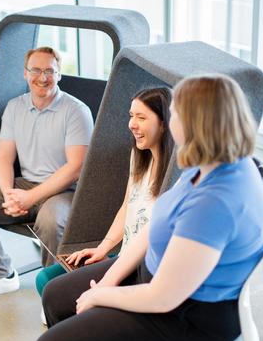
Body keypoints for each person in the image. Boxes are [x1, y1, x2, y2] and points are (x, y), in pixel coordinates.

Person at [34, 73, 263, 341]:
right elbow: (157, 223)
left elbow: (163, 298)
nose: (172, 119)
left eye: (175, 114)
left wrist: (102, 296)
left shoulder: (214, 204)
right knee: (54, 295)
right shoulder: (208, 161)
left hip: (188, 317)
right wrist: (109, 278)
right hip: (160, 275)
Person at [0, 46, 94, 301]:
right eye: (36, 70)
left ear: (59, 74)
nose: (42, 77)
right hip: (25, 184)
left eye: (49, 71)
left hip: (65, 190)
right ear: (25, 73)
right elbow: (3, 157)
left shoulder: (76, 111)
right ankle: (1, 276)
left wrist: (29, 199)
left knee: (51, 222)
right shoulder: (14, 107)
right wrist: (10, 193)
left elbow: (75, 168)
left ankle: (55, 293)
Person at [34, 87, 173, 328]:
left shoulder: (174, 176)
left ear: (164, 123)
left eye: (141, 117)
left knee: (55, 292)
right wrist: (102, 248)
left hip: (139, 269)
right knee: (45, 279)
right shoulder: (140, 157)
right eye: (131, 115)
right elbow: (126, 208)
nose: (132, 124)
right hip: (121, 257)